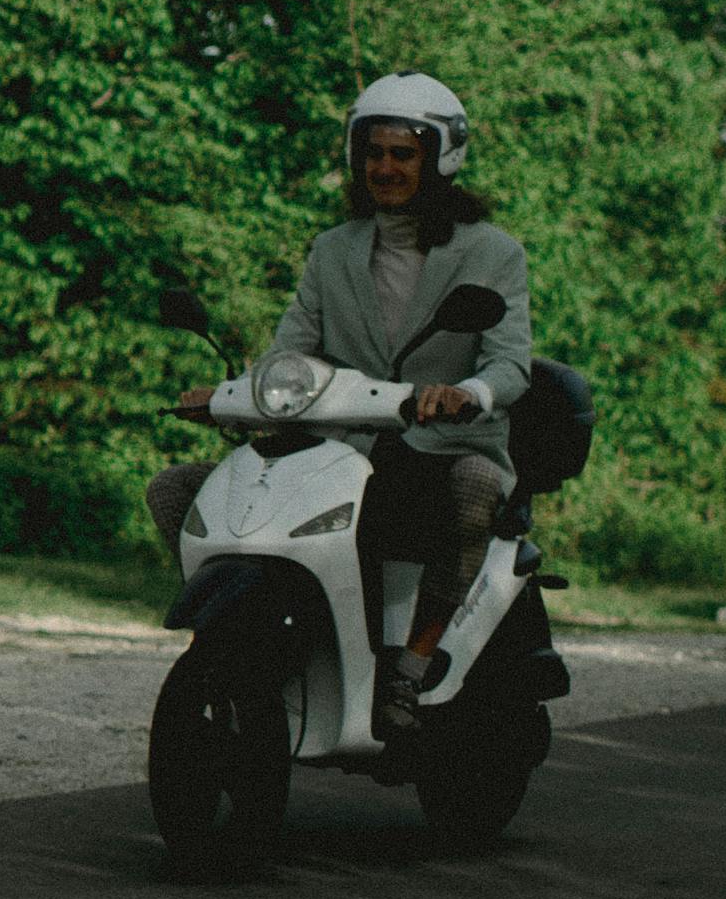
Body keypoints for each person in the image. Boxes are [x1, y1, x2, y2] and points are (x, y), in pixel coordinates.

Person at [150, 72, 535, 726]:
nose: (384, 168)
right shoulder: (334, 249)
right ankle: (232, 634)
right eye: (373, 153)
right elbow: (292, 350)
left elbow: (509, 362)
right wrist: (228, 393)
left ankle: (415, 664)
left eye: (403, 154)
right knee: (176, 492)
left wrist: (464, 393)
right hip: (338, 452)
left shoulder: (492, 252)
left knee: (473, 490)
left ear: (441, 157)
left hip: (441, 446)